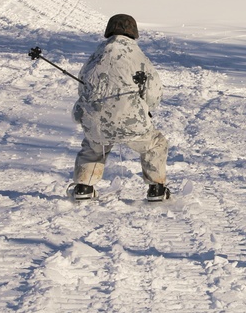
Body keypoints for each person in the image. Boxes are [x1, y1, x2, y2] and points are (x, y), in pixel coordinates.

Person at [70, 14, 171, 202]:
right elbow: (153, 93)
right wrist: (146, 107)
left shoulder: (95, 57)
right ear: (134, 32)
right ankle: (156, 188)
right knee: (156, 144)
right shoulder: (137, 56)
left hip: (96, 121)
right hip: (131, 121)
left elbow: (83, 89)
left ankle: (84, 186)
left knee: (94, 145)